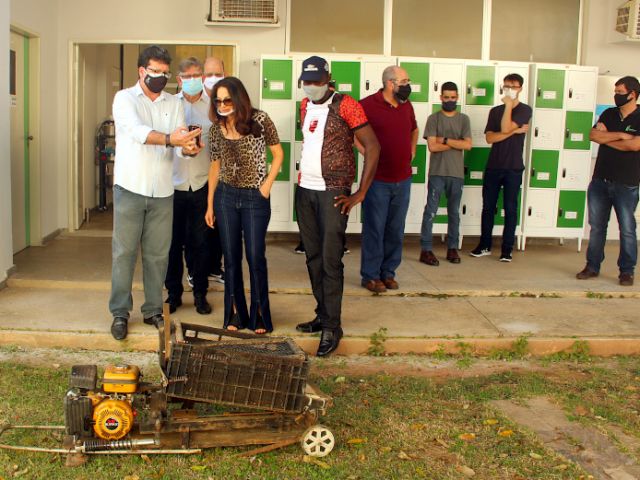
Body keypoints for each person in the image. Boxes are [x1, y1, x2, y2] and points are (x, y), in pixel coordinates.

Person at [109, 45, 201, 340]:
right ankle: (120, 312)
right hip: (130, 187)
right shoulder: (124, 99)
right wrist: (172, 140)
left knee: (157, 255)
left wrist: (188, 148)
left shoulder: (173, 102)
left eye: (165, 72)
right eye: (155, 71)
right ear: (142, 71)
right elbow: (137, 132)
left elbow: (180, 138)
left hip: (163, 190)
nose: (161, 76)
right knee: (124, 253)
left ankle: (152, 310)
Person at [293, 55, 380, 357]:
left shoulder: (347, 104)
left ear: (328, 77)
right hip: (305, 191)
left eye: (317, 81)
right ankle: (322, 315)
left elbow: (373, 146)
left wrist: (359, 194)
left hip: (333, 193)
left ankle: (333, 327)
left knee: (331, 261)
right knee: (313, 258)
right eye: (307, 81)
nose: (311, 86)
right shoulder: (305, 105)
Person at [205, 77, 283, 334]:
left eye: (227, 100)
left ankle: (259, 313)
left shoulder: (260, 120)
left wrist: (267, 185)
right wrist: (210, 205)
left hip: (254, 198)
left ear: (238, 98)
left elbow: (278, 154)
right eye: (218, 100)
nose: (222, 105)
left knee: (255, 256)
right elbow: (215, 166)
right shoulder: (215, 128)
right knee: (231, 256)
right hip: (226, 197)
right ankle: (236, 312)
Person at [358, 66, 418, 292]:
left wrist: (412, 149)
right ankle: (371, 276)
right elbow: (352, 130)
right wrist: (365, 151)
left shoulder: (406, 105)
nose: (408, 85)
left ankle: (388, 273)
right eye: (404, 81)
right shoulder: (367, 105)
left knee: (395, 228)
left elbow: (414, 129)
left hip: (403, 179)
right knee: (375, 227)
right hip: (378, 179)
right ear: (390, 83)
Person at [576, 76, 640, 286]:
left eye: (620, 91)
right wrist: (623, 137)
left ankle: (626, 271)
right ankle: (592, 266)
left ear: (632, 94)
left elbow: (635, 146)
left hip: (627, 183)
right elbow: (593, 135)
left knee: (627, 229)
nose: (616, 95)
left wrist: (612, 136)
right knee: (597, 227)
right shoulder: (608, 113)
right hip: (600, 181)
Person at [164, 57, 212, 316]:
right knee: (172, 245)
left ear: (202, 78)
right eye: (187, 76)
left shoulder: (213, 107)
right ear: (179, 79)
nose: (192, 80)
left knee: (200, 244)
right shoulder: (170, 105)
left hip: (202, 184)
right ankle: (173, 294)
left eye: (197, 75)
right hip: (174, 185)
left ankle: (200, 294)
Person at [470, 73, 531, 262]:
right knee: (488, 207)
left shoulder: (525, 110)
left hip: (513, 167)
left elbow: (503, 129)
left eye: (513, 86)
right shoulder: (494, 111)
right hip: (494, 166)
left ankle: (507, 249)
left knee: (510, 208)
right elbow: (490, 138)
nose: (509, 89)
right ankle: (485, 245)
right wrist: (515, 130)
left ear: (520, 88)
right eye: (506, 85)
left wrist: (509, 108)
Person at [420, 82, 472, 266]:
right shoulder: (433, 119)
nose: (450, 100)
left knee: (454, 213)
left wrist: (445, 139)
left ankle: (452, 248)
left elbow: (468, 145)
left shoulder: (464, 119)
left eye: (453, 97)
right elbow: (432, 146)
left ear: (457, 97)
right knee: (431, 212)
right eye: (446, 97)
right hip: (437, 173)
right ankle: (426, 250)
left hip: (456, 174)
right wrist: (456, 142)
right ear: (441, 97)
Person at [185, 56, 226, 286]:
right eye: (208, 75)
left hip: (224, 177)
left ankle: (214, 267)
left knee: (218, 227)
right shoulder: (194, 104)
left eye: (216, 74)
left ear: (224, 73)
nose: (212, 79)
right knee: (197, 229)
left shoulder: (227, 101)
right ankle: (194, 269)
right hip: (199, 176)